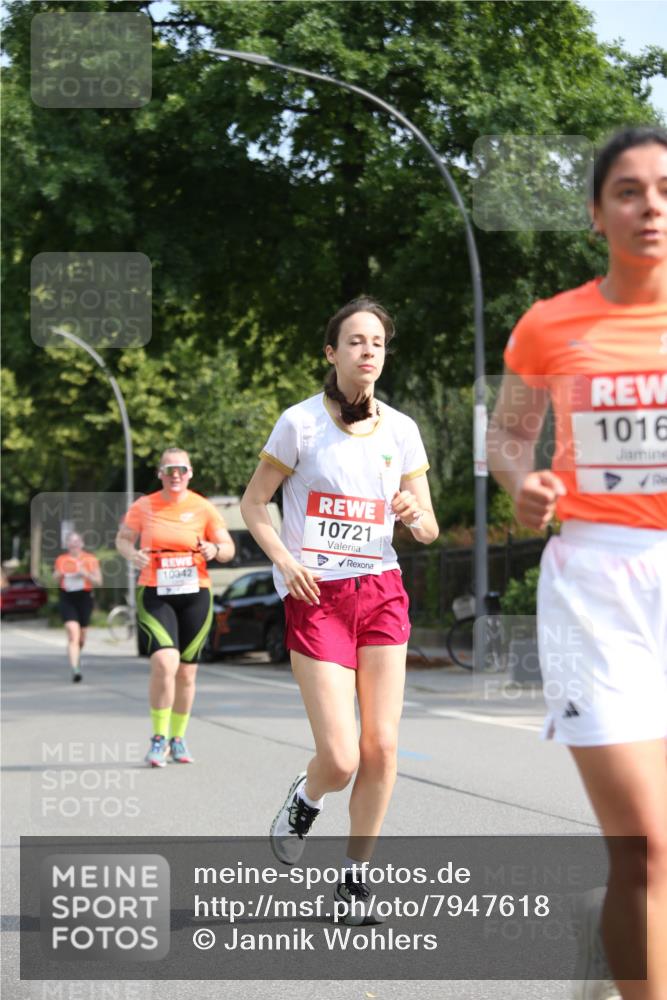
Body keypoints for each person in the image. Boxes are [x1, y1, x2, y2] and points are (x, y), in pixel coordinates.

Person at [487, 127, 667, 1000]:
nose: (649, 205)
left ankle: (613, 941)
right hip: (597, 586)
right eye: (627, 191)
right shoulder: (550, 323)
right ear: (597, 213)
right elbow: (506, 437)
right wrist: (523, 488)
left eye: (664, 188)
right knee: (646, 842)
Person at [241, 297, 439, 923]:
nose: (367, 352)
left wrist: (415, 517)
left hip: (380, 589)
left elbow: (429, 525)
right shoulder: (299, 424)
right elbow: (254, 504)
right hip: (316, 596)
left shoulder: (402, 429)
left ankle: (354, 880)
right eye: (355, 341)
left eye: (377, 342)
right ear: (332, 353)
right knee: (343, 757)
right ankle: (306, 798)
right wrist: (285, 559)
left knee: (382, 747)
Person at [116, 447, 235, 767]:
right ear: (160, 474)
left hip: (196, 592)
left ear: (190, 473)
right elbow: (123, 539)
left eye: (181, 469)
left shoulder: (203, 507)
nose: (175, 475)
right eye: (169, 470)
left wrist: (214, 548)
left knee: (186, 672)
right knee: (165, 662)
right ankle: (158, 739)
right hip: (155, 590)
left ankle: (178, 739)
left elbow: (228, 548)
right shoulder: (144, 506)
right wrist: (132, 554)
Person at [53, 532, 102, 682]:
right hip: (67, 598)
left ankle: (77, 654)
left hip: (84, 598)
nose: (74, 545)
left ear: (82, 544)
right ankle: (75, 669)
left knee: (81, 636)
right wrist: (61, 573)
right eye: (71, 542)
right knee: (72, 633)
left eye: (76, 542)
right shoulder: (62, 559)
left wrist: (85, 573)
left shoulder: (90, 559)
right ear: (67, 544)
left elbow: (99, 582)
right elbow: (54, 578)